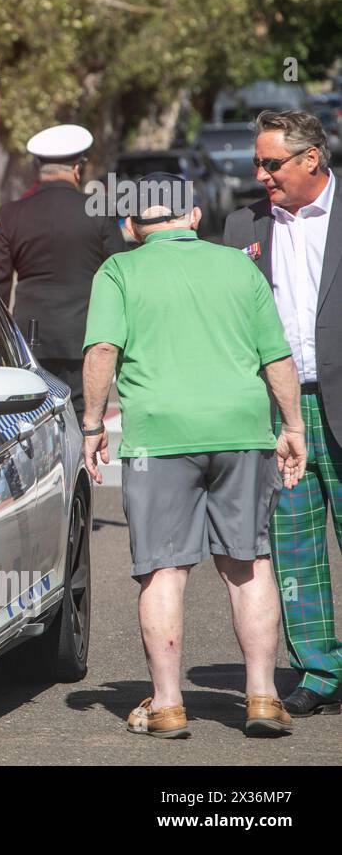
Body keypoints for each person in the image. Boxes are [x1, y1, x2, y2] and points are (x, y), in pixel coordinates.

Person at [81, 172, 307, 739]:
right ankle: (261, 697)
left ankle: (167, 704)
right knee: (249, 563)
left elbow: (103, 349)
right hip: (242, 430)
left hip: (158, 439)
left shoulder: (119, 270)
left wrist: (91, 425)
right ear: (195, 217)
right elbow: (276, 355)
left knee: (163, 569)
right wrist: (293, 426)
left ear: (130, 226)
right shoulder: (238, 265)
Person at [224, 109, 342, 717]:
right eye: (258, 164)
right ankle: (319, 671)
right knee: (293, 546)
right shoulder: (244, 223)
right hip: (280, 411)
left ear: (311, 159)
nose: (262, 175)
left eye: (272, 164)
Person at [0, 124, 124, 419]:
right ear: (77, 168)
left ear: (38, 167)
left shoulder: (11, 214)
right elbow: (120, 271)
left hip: (30, 339)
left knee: (35, 417)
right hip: (85, 336)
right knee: (79, 416)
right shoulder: (99, 210)